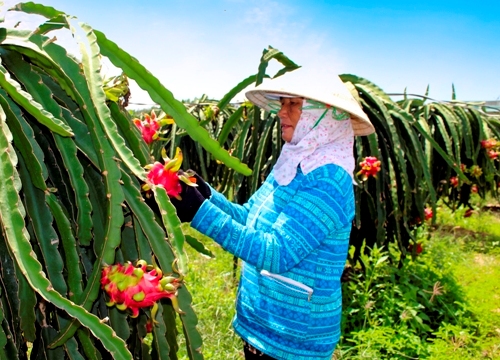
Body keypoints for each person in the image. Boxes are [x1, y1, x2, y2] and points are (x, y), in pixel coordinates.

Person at [171, 69, 375, 360]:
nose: (282, 112)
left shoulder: (329, 180)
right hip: (261, 328)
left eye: (293, 104)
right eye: (282, 103)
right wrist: (204, 193)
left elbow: (277, 251)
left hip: (293, 344)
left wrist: (199, 212)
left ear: (326, 116)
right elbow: (248, 218)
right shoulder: (292, 163)